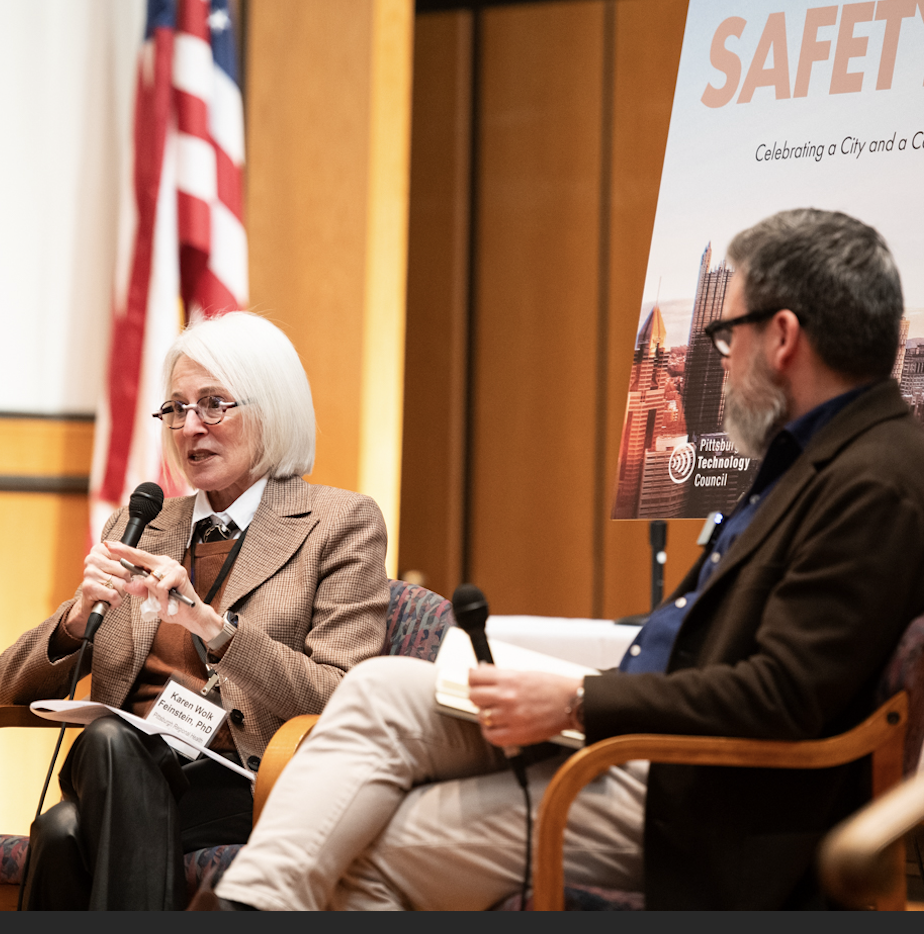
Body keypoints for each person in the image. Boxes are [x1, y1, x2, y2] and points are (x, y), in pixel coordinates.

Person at [210, 209, 924, 911]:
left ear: (784, 337)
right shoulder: (808, 456)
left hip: (704, 793)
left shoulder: (875, 481)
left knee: (374, 848)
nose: (717, 356)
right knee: (381, 691)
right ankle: (251, 905)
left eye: (725, 334)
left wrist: (579, 701)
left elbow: (782, 699)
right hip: (643, 730)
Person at [0, 311, 390, 910]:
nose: (189, 428)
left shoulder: (338, 524)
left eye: (213, 404)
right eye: (176, 409)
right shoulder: (145, 524)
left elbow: (343, 699)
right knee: (110, 743)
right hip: (120, 765)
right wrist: (76, 618)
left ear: (272, 409)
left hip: (245, 780)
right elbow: (6, 683)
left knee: (62, 830)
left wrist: (211, 627)